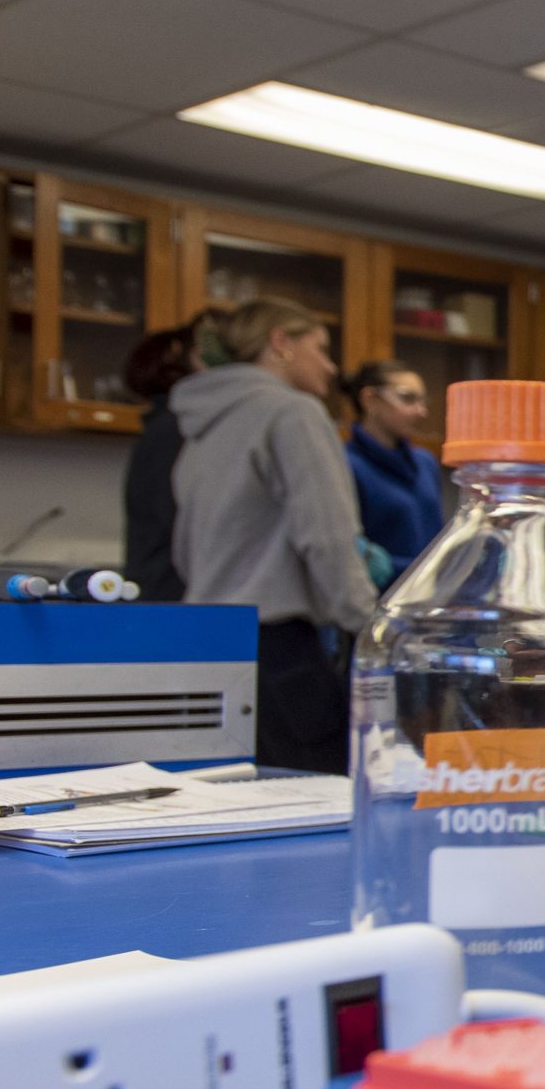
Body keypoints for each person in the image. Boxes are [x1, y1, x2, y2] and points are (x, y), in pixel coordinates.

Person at [170, 297, 377, 774]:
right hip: (282, 655)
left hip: (210, 651)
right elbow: (328, 537)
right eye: (321, 348)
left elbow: (185, 553)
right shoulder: (294, 413)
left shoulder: (202, 429)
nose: (330, 366)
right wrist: (373, 629)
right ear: (280, 342)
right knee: (312, 806)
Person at [120, 311, 215, 602]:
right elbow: (184, 525)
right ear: (199, 358)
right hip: (170, 602)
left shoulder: (169, 425)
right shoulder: (178, 430)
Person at [342, 359, 444, 581]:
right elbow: (347, 553)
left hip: (430, 598)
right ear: (370, 399)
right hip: (379, 602)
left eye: (423, 401)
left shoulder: (425, 462)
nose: (421, 411)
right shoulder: (346, 464)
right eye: (408, 398)